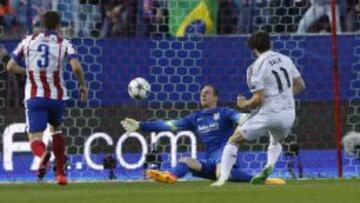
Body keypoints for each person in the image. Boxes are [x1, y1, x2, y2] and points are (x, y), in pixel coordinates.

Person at [121, 85, 285, 185]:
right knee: (186, 160)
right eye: (201, 93)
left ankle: (259, 179)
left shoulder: (224, 112)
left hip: (225, 158)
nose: (203, 95)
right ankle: (169, 176)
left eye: (207, 92)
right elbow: (168, 125)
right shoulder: (195, 118)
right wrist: (140, 126)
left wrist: (257, 117)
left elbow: (240, 118)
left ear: (216, 97)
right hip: (210, 162)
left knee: (221, 173)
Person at [211, 31, 305, 187]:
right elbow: (301, 85)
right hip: (289, 115)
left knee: (234, 140)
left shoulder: (255, 67)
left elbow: (258, 99)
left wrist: (244, 104)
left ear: (253, 48)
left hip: (269, 114)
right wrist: (284, 96)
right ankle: (269, 167)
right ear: (270, 44)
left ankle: (222, 179)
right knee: (275, 141)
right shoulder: (286, 59)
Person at [6, 11, 88, 185]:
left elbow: (10, 66)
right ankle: (61, 174)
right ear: (58, 26)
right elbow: (76, 68)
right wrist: (82, 86)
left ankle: (43, 155)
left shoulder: (27, 40)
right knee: (56, 130)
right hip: (57, 97)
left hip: (35, 96)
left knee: (35, 138)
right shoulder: (64, 43)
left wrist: (28, 73)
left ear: (41, 25)